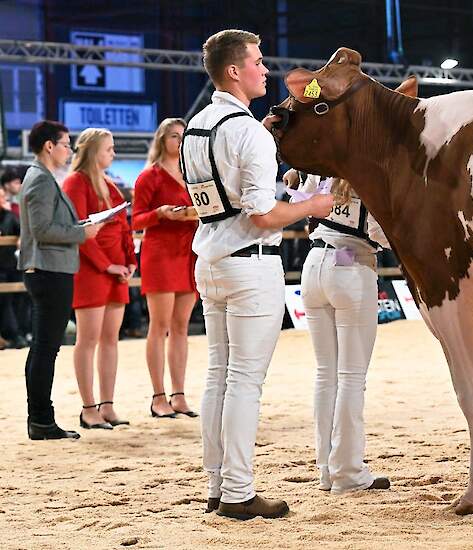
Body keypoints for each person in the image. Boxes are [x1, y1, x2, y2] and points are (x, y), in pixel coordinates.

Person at [184, 29, 333, 520]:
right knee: (245, 381)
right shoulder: (244, 130)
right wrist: (314, 204)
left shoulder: (196, 126)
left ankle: (217, 484)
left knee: (219, 377)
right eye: (257, 61)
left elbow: (220, 194)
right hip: (250, 262)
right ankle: (239, 491)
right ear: (234, 71)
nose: (265, 69)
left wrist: (261, 137)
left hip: (211, 257)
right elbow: (264, 215)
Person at [285, 170, 391, 493]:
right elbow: (383, 234)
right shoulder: (369, 177)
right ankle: (348, 472)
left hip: (313, 263)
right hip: (350, 263)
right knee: (351, 377)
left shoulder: (319, 171)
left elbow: (298, 200)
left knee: (325, 374)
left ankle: (326, 470)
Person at [19, 120, 103, 440]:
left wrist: (78, 226)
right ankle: (41, 418)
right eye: (66, 144)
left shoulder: (41, 177)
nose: (70, 150)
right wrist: (82, 233)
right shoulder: (41, 179)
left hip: (49, 267)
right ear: (49, 146)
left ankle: (40, 418)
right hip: (49, 269)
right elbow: (42, 230)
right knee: (45, 348)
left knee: (43, 346)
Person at [63, 128, 136, 431]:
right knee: (88, 339)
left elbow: (123, 227)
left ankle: (107, 404)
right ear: (93, 151)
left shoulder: (111, 186)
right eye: (109, 149)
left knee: (110, 340)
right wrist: (107, 266)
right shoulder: (75, 183)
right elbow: (79, 231)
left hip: (116, 270)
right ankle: (88, 407)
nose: (113, 154)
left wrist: (130, 260)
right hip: (92, 270)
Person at [132, 117, 199, 418]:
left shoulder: (193, 175)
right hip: (160, 254)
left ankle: (179, 395)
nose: (179, 141)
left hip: (189, 252)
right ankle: (158, 396)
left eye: (183, 136)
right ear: (162, 140)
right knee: (159, 326)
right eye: (174, 136)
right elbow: (135, 219)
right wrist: (160, 213)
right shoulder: (150, 176)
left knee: (182, 328)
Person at [0, 185, 29, 349]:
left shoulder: (10, 217)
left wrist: (20, 238)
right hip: (1, 271)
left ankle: (19, 334)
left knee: (20, 298)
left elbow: (24, 231)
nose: (3, 200)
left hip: (12, 266)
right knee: (5, 300)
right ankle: (12, 334)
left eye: (4, 197)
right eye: (1, 197)